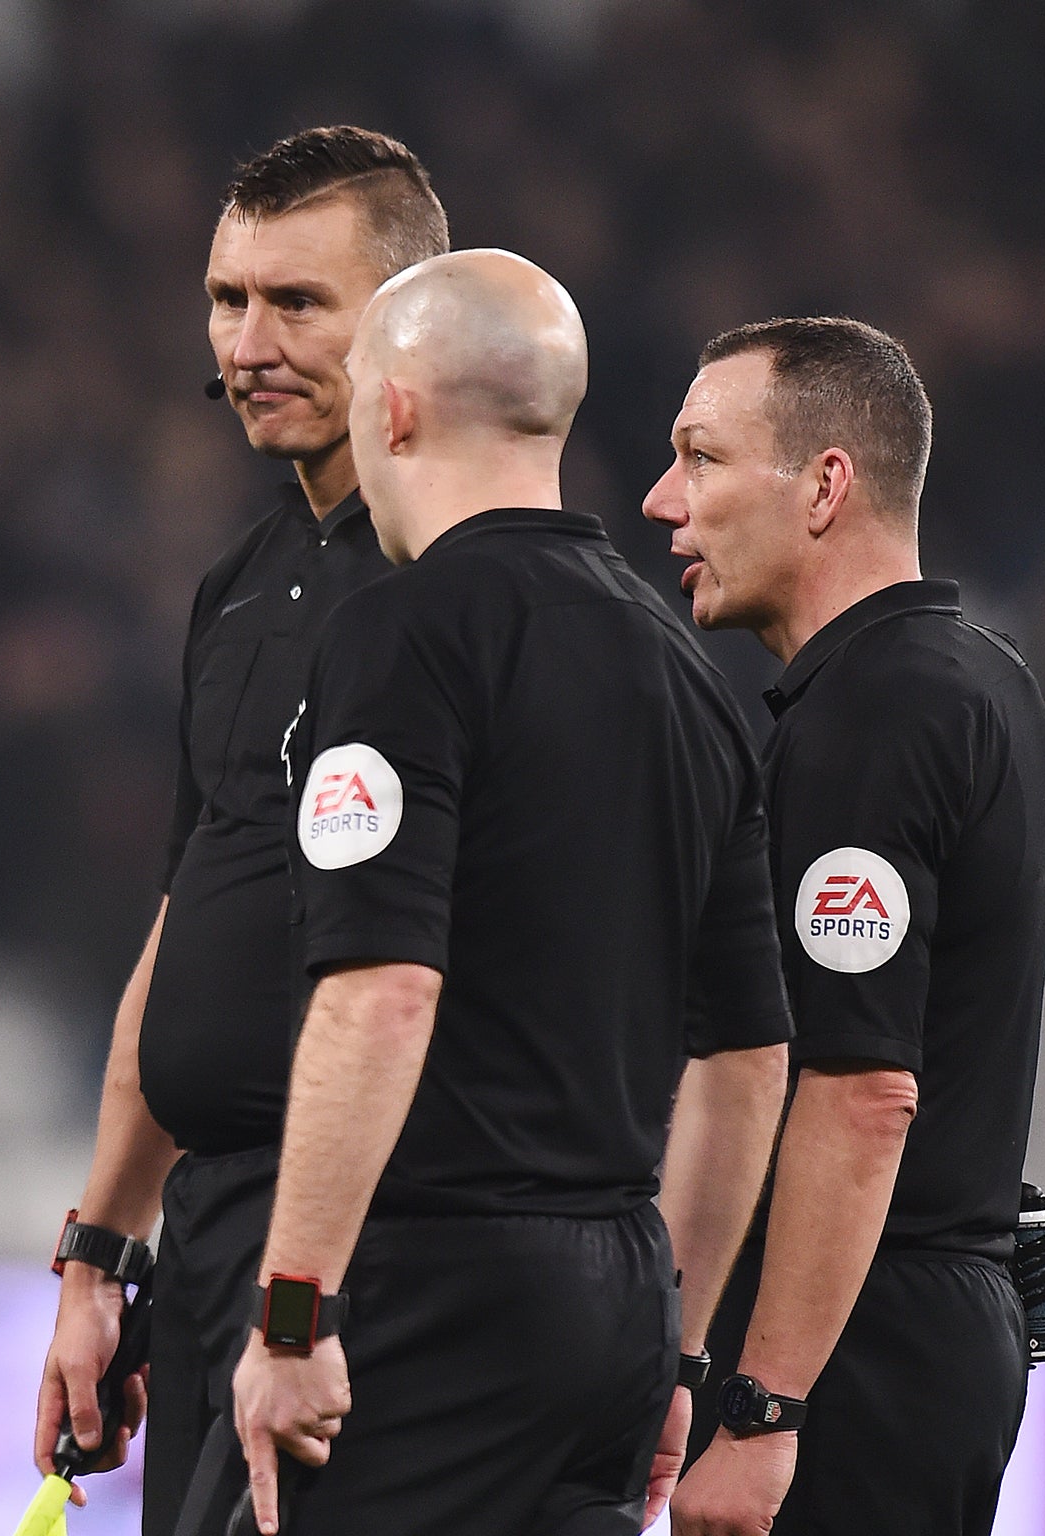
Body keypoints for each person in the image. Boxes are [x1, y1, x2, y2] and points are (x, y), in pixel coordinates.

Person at [228, 250, 793, 1536]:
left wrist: (293, 1312)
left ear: (396, 410)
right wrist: (678, 1351)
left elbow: (379, 993)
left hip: (433, 1296)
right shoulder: (687, 675)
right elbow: (749, 1057)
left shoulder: (400, 636)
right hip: (613, 1301)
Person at [30, 127, 449, 1534]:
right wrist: (98, 1253)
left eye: (297, 304)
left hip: (372, 1260)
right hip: (214, 1241)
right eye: (228, 300)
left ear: (407, 321)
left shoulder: (457, 596)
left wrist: (303, 1291)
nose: (249, 343)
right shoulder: (245, 579)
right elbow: (190, 912)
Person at [645, 318, 1045, 1536]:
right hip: (917, 1326)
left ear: (826, 484)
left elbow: (863, 1086)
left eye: (703, 458)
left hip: (851, 1355)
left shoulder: (873, 713)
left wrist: (764, 1409)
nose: (666, 499)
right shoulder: (981, 679)